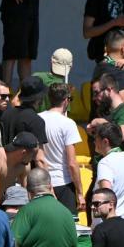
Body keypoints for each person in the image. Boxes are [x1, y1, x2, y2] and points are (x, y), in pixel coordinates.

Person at [38, 84, 85, 214]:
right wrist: (80, 193)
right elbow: (72, 163)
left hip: (42, 182)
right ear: (66, 100)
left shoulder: (38, 118)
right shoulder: (68, 123)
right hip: (63, 183)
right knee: (69, 223)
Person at [0, 76, 48, 165]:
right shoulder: (36, 121)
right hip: (25, 171)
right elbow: (39, 159)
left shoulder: (6, 115)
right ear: (39, 98)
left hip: (5, 168)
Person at [0, 132, 39, 207]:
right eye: (34, 155)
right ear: (23, 153)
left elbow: (28, 194)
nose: (34, 159)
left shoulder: (24, 165)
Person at [32, 48, 73, 113]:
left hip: (33, 118)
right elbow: (64, 114)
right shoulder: (64, 89)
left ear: (51, 61)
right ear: (71, 66)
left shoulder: (35, 76)